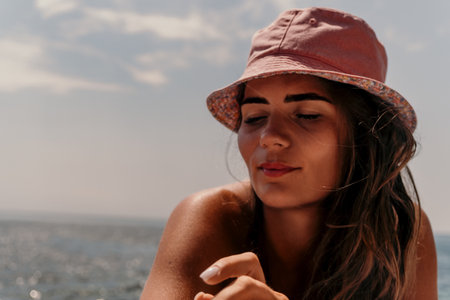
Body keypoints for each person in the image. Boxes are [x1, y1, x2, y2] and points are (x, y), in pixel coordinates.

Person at [140, 7, 437, 300]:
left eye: (307, 114)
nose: (269, 138)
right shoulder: (208, 216)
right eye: (254, 117)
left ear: (366, 134)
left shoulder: (402, 230)